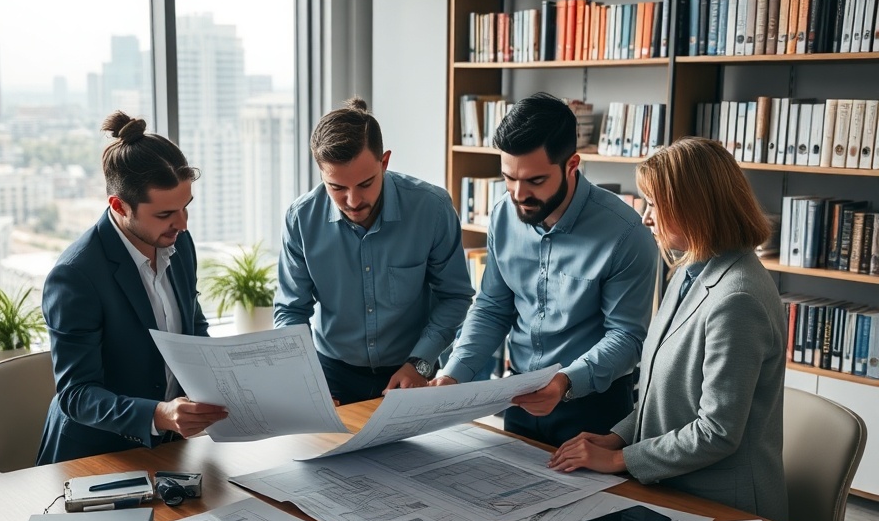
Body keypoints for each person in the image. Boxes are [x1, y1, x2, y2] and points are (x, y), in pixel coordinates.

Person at [549, 137, 788, 521]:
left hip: (723, 507)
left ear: (695, 207)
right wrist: (618, 437)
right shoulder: (690, 270)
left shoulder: (738, 299)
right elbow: (663, 394)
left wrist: (618, 459)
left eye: (655, 204)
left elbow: (717, 432)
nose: (646, 217)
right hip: (672, 485)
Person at [433, 92, 659, 447]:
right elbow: (492, 308)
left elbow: (627, 338)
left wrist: (565, 382)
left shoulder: (626, 234)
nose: (518, 194)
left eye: (535, 181)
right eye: (509, 178)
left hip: (593, 407)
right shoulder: (503, 215)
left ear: (572, 165)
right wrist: (454, 374)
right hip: (518, 398)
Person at [36, 111, 228, 465]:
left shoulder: (179, 243)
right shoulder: (75, 275)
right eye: (165, 214)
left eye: (186, 207)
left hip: (170, 447)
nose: (182, 224)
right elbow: (77, 395)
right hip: (96, 454)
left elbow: (192, 328)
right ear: (119, 206)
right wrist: (159, 414)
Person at [274, 97, 474, 404]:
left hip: (413, 369)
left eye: (365, 184)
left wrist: (420, 363)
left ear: (384, 162)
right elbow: (291, 311)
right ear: (321, 174)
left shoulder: (432, 208)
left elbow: (455, 296)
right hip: (331, 374)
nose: (353, 201)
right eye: (337, 187)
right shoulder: (301, 219)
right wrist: (306, 377)